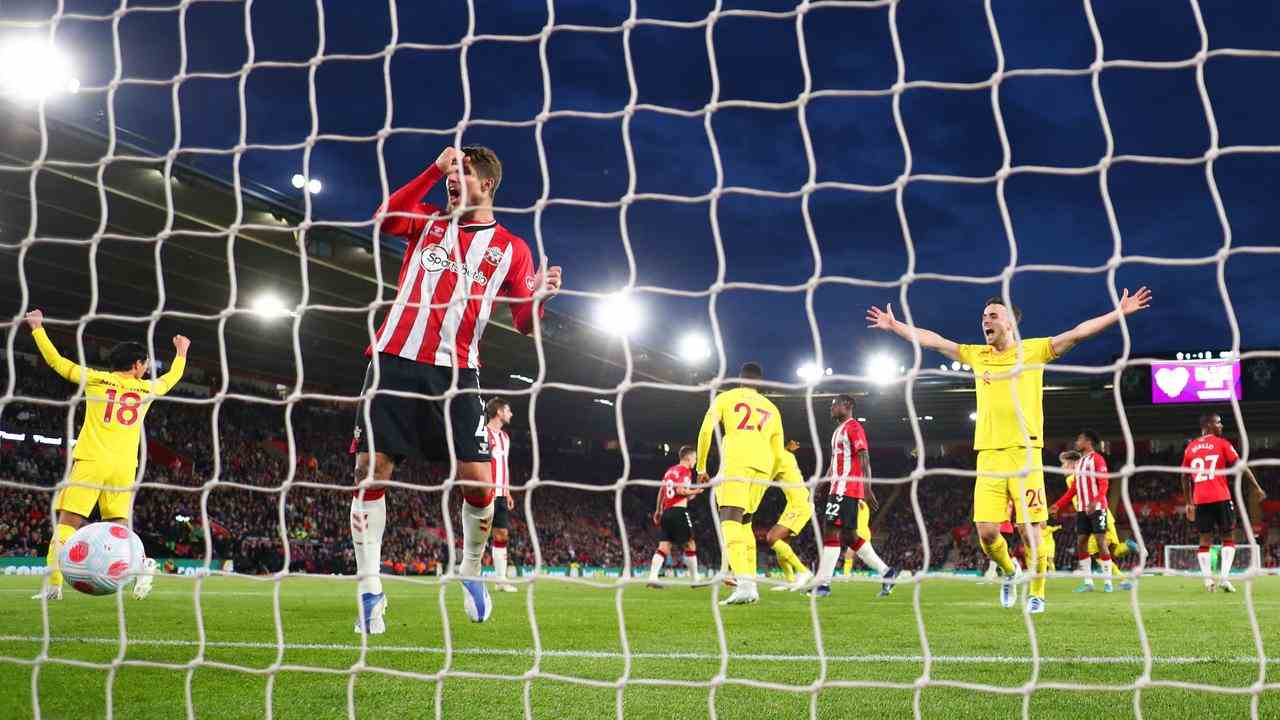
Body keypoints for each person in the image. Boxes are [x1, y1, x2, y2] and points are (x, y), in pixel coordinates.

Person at [351, 145, 562, 633]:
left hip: (457, 373)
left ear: (487, 184)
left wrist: (542, 297)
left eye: (463, 172)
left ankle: (470, 570)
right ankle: (369, 589)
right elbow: (384, 218)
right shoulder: (425, 220)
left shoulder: (511, 248)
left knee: (479, 485)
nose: (453, 177)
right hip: (393, 361)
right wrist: (433, 167)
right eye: (452, 171)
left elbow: (526, 323)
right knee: (371, 471)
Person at [867, 288, 1152, 613]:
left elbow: (1077, 333)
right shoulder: (977, 355)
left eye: (992, 316)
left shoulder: (1033, 351)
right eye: (983, 317)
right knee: (987, 535)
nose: (985, 321)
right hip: (988, 456)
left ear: (1010, 324)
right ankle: (1008, 571)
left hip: (1025, 455)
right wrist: (896, 326)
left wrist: (1120, 312)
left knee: (1032, 532)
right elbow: (934, 340)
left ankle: (1037, 593)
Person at [25, 309, 189, 601]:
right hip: (125, 467)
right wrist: (181, 353)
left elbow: (57, 362)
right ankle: (143, 566)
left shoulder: (97, 379)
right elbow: (172, 378)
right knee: (121, 531)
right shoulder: (146, 388)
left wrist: (37, 328)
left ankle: (53, 585)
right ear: (136, 365)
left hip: (92, 460)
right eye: (146, 364)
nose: (147, 368)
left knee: (67, 524)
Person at [696, 362, 786, 606]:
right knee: (745, 523)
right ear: (760, 383)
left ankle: (744, 584)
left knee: (729, 517)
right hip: (764, 468)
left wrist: (701, 467)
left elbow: (706, 431)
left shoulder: (728, 397)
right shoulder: (772, 408)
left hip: (737, 463)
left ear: (739, 380)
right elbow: (779, 453)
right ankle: (752, 586)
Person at [811, 395, 896, 597]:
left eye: (835, 404)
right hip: (837, 487)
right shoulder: (838, 431)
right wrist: (822, 484)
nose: (831, 407)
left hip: (846, 488)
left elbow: (864, 457)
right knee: (850, 537)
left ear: (847, 406)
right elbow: (834, 464)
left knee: (831, 532)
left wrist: (867, 488)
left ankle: (823, 585)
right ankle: (887, 572)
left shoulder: (854, 427)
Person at [1181, 413, 1266, 593]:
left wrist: (1189, 502)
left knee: (1204, 540)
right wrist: (1256, 487)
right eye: (1218, 423)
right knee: (1228, 537)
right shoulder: (1222, 444)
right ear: (1209, 425)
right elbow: (1241, 466)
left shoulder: (1191, 447)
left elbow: (1184, 476)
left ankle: (1207, 581)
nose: (1222, 426)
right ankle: (1224, 579)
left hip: (1200, 499)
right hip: (1221, 497)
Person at [647, 446, 703, 587]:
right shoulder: (685, 471)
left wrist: (658, 510)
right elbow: (680, 490)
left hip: (666, 512)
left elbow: (662, 490)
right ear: (688, 458)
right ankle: (695, 579)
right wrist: (698, 489)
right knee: (690, 544)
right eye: (695, 458)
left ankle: (652, 578)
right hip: (679, 512)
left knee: (664, 546)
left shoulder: (670, 471)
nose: (695, 461)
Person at [766, 440, 814, 591]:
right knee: (782, 544)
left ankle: (803, 571)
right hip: (795, 503)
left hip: (799, 504)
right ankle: (791, 580)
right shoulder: (786, 455)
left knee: (771, 538)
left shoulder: (778, 459)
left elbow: (764, 482)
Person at [485, 398, 517, 593]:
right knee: (480, 536)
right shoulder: (483, 434)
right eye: (508, 410)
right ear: (498, 411)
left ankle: (501, 579)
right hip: (486, 493)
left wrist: (508, 491)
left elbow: (504, 466)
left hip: (501, 495)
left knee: (502, 534)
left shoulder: (505, 437)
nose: (511, 413)